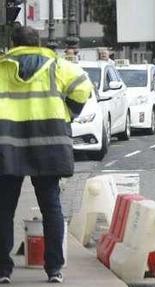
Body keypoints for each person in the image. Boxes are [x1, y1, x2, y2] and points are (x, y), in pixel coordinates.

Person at [0, 26, 93, 283]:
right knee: (51, 207)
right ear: (38, 43)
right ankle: (53, 269)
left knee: (4, 209)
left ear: (13, 43)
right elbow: (83, 88)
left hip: (7, 145)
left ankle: (3, 270)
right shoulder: (57, 66)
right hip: (48, 142)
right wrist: (67, 113)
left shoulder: (2, 67)